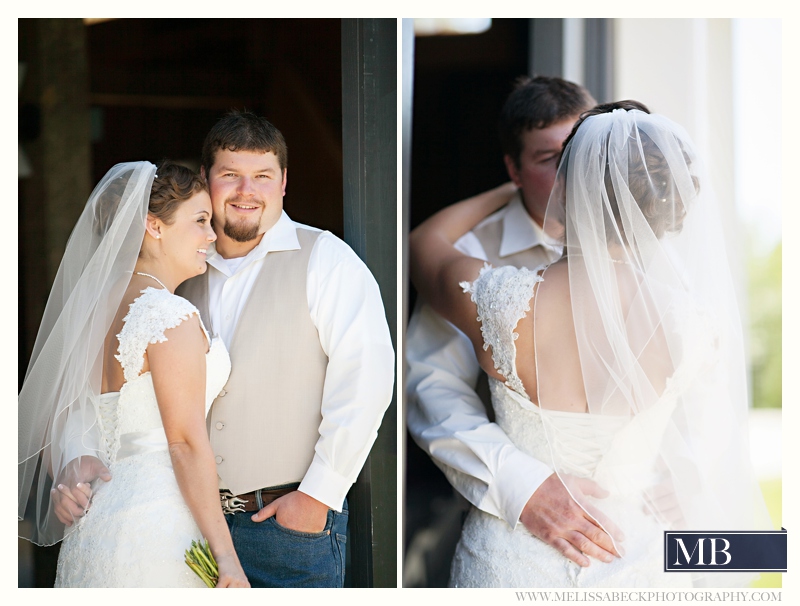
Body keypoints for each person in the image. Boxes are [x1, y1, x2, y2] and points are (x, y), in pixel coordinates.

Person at [409, 101, 771, 587]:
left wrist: (510, 187)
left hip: (513, 562)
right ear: (668, 208)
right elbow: (715, 427)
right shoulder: (696, 326)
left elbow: (423, 244)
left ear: (566, 189)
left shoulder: (501, 301)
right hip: (636, 558)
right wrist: (692, 481)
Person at [174, 110, 394, 587]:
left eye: (262, 176)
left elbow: (366, 382)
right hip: (187, 529)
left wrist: (317, 497)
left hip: (288, 528)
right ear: (206, 180)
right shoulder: (180, 272)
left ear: (284, 183)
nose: (245, 191)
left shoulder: (327, 259)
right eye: (230, 175)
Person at [407, 75, 614, 569]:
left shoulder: (632, 247)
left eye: (580, 151)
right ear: (513, 170)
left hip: (629, 522)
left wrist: (675, 472)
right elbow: (432, 387)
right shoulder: (473, 255)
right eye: (548, 159)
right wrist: (522, 487)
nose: (570, 173)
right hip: (520, 527)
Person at [18, 161, 250, 587]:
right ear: (154, 227)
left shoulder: (92, 316)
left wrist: (72, 468)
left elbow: (57, 417)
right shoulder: (167, 314)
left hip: (95, 529)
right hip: (158, 527)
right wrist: (226, 557)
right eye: (200, 221)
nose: (212, 236)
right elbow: (183, 443)